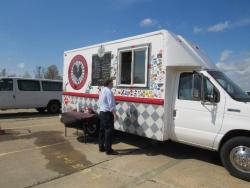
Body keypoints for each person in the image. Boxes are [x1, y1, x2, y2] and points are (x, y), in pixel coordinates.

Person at [98, 78, 118, 155]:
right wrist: (115, 115)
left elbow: (101, 102)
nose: (112, 84)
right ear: (109, 83)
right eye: (112, 83)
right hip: (107, 114)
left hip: (102, 112)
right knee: (109, 132)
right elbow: (111, 105)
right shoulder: (109, 91)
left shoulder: (102, 90)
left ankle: (101, 147)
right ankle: (108, 150)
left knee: (102, 131)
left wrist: (113, 103)